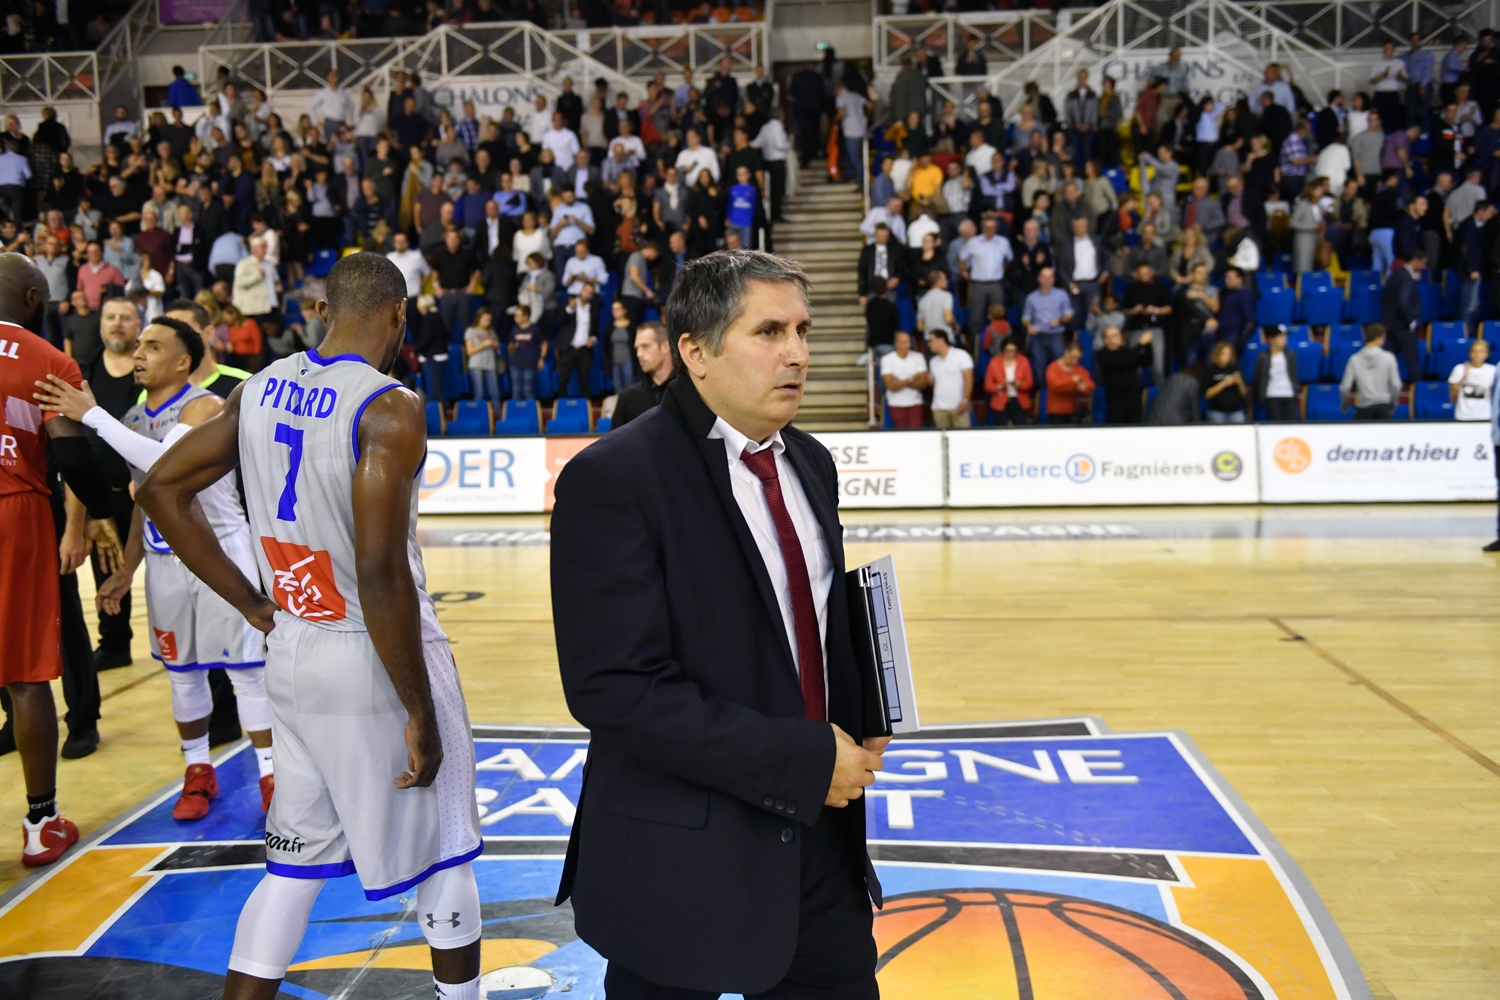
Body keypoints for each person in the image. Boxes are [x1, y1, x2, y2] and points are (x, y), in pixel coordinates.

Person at [133, 253, 483, 1000]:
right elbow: (381, 571)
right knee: (446, 855)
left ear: (324, 311)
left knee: (291, 870)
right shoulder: (390, 406)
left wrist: (252, 604)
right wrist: (419, 710)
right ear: (396, 314)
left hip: (290, 643)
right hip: (372, 654)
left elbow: (160, 489)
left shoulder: (260, 386)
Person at [549, 248, 887, 998]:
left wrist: (865, 708)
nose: (796, 353)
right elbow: (615, 691)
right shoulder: (613, 479)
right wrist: (802, 759)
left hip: (819, 851)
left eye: (803, 330)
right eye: (769, 332)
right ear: (694, 353)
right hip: (678, 862)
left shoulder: (811, 462)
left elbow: (803, 622)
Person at [36, 316, 277, 819]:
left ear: (183, 360)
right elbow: (149, 497)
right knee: (181, 673)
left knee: (246, 674)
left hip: (221, 556)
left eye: (153, 345)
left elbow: (167, 465)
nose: (139, 354)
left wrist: (92, 416)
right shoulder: (130, 417)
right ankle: (197, 772)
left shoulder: (205, 405)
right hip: (165, 560)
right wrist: (126, 568)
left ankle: (273, 774)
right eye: (139, 345)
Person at [1, 252, 119, 867]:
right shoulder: (50, 361)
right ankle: (41, 822)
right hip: (15, 508)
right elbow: (72, 459)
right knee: (26, 677)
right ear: (31, 299)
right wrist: (101, 510)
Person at [612, 321, 674, 429]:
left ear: (664, 346)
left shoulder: (689, 392)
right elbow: (614, 444)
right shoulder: (628, 398)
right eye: (637, 348)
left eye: (645, 346)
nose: (639, 354)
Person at [1341, 322, 1403, 418]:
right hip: (1383, 405)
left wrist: (1345, 403)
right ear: (1380, 338)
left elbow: (1345, 387)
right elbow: (1396, 385)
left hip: (1363, 407)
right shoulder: (1389, 358)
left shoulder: (1354, 359)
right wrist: (1393, 403)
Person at [1023, 267, 1073, 384]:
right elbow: (1026, 317)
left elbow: (1069, 314)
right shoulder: (1031, 297)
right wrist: (1029, 326)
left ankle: (1059, 390)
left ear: (1053, 279)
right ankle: (1042, 396)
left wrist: (1060, 321)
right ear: (1038, 279)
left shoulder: (1062, 295)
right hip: (1038, 336)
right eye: (1043, 277)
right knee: (1039, 367)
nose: (1046, 280)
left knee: (1059, 364)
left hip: (1055, 335)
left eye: (1049, 277)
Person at [1380, 249, 1424, 381]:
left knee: (1389, 360)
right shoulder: (1406, 277)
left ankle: (1383, 386)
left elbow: (1385, 299)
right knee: (1412, 361)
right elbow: (1403, 301)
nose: (1424, 266)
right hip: (1403, 326)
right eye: (1422, 263)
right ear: (1416, 261)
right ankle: (1419, 391)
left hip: (1390, 324)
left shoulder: (1395, 274)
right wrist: (1411, 321)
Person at [1095, 326, 1152, 424]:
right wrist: (1140, 344)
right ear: (1106, 340)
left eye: (1118, 334)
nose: (1118, 337)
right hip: (1117, 401)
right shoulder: (1103, 354)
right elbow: (1124, 361)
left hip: (1134, 399)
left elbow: (1146, 361)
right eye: (1114, 335)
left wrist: (1147, 345)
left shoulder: (1126, 351)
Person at [881, 330, 928, 429]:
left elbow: (923, 382)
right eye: (904, 342)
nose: (908, 345)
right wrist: (912, 378)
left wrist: (900, 381)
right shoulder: (887, 359)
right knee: (901, 435)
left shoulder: (918, 357)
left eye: (908, 342)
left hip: (915, 403)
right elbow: (891, 386)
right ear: (896, 344)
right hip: (896, 403)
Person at [926, 330, 973, 428]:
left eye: (931, 341)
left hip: (958, 406)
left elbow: (969, 379)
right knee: (942, 440)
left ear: (941, 340)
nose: (929, 344)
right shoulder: (933, 361)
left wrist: (965, 400)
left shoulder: (961, 355)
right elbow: (935, 384)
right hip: (939, 408)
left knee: (962, 439)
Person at [983, 337, 1034, 425]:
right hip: (1000, 402)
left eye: (1013, 351)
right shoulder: (994, 362)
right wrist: (1000, 386)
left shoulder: (1024, 361)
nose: (1011, 353)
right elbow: (987, 385)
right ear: (1003, 350)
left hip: (1020, 402)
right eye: (1008, 350)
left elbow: (1029, 383)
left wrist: (1019, 384)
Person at [1254, 325, 1302, 421]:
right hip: (1272, 395)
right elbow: (1258, 377)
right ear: (1272, 339)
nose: (1284, 339)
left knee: (1289, 424)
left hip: (1289, 394)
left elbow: (1294, 374)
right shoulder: (1263, 356)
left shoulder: (1290, 355)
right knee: (1276, 424)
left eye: (1285, 337)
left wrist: (1295, 390)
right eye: (1280, 337)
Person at [1044, 342, 1095, 424]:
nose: (1075, 361)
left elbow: (1090, 383)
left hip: (1072, 410)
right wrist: (1071, 381)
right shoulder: (1053, 367)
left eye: (1077, 359)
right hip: (1056, 411)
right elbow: (1054, 385)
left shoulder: (1079, 369)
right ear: (1066, 352)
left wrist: (1084, 386)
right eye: (1072, 358)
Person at [463, 308, 502, 410]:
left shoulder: (491, 331)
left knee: (495, 392)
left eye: (489, 320)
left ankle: (500, 417)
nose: (487, 322)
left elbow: (497, 349)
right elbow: (469, 351)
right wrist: (484, 345)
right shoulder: (471, 331)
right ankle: (479, 416)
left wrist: (495, 345)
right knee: (479, 392)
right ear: (479, 319)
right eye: (485, 319)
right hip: (476, 364)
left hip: (490, 364)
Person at [1450, 338, 1495, 420]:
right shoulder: (1459, 369)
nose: (1477, 354)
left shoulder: (1492, 370)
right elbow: (1452, 393)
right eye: (1474, 351)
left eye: (1481, 351)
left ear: (1487, 354)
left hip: (1485, 416)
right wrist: (1464, 377)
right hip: (1463, 416)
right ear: (1470, 353)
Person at [507, 304, 545, 402]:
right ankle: (515, 413)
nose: (516, 318)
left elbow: (544, 343)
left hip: (529, 363)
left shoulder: (534, 329)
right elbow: (510, 345)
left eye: (519, 316)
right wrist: (512, 348)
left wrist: (541, 358)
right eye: (515, 316)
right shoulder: (513, 329)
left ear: (526, 316)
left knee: (528, 389)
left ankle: (531, 412)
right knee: (516, 389)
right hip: (515, 363)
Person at [1203, 341, 1248, 422]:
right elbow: (1208, 394)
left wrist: (1240, 383)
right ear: (1218, 354)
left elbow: (1244, 394)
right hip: (1216, 412)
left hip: (1235, 411)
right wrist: (1223, 383)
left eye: (1229, 354)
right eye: (1224, 354)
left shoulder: (1236, 369)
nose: (1227, 356)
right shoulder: (1211, 371)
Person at [607, 298, 636, 394]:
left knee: (629, 390)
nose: (614, 312)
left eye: (617, 309)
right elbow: (606, 346)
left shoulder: (632, 326)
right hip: (614, 363)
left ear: (624, 310)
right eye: (613, 309)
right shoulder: (610, 327)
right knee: (617, 390)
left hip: (628, 362)